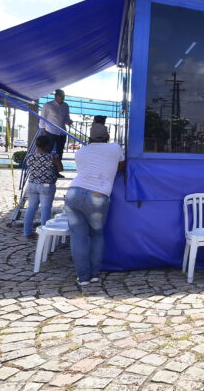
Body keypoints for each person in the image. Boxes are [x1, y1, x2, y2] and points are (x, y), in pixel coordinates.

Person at [65, 122, 124, 286]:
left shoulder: (81, 152)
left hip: (74, 193)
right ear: (107, 136)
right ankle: (95, 275)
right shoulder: (115, 148)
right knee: (96, 235)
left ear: (89, 137)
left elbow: (85, 171)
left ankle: (82, 277)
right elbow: (122, 167)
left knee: (78, 237)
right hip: (98, 195)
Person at [22, 135, 62, 237]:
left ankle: (27, 232)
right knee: (45, 210)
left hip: (32, 184)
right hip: (46, 185)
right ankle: (45, 235)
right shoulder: (53, 156)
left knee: (31, 209)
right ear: (48, 144)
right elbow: (60, 169)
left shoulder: (30, 156)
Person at [40, 89, 72, 173]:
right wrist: (43, 131)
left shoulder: (66, 105)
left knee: (60, 152)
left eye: (63, 97)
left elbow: (66, 118)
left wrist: (69, 122)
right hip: (50, 131)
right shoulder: (48, 105)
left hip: (62, 132)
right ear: (56, 96)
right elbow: (42, 118)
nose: (61, 99)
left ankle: (56, 172)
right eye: (60, 97)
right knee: (48, 151)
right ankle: (46, 171)